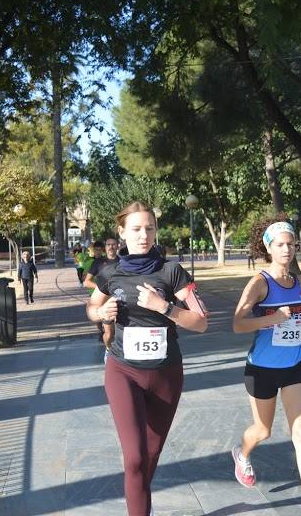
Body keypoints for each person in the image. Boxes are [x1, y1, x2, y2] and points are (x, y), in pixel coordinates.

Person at [85, 201, 209, 516]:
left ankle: (137, 497)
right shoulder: (109, 271)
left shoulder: (172, 271)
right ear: (122, 232)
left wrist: (164, 307)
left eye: (149, 228)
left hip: (166, 374)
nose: (144, 235)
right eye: (137, 229)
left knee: (150, 456)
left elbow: (201, 321)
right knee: (136, 458)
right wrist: (101, 313)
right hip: (122, 371)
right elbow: (91, 307)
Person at [230, 217, 301, 516]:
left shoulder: (297, 281)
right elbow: (238, 324)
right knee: (263, 430)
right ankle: (242, 454)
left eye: (291, 244)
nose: (287, 250)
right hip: (262, 369)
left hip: (295, 364)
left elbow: (297, 314)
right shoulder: (259, 282)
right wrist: (272, 319)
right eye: (280, 245)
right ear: (269, 247)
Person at [84, 238, 119, 344]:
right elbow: (87, 282)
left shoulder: (123, 262)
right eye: (108, 245)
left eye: (113, 244)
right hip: (104, 303)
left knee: (120, 333)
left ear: (117, 246)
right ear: (105, 247)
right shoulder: (98, 263)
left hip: (121, 301)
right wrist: (103, 290)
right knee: (109, 334)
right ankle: (107, 348)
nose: (111, 247)